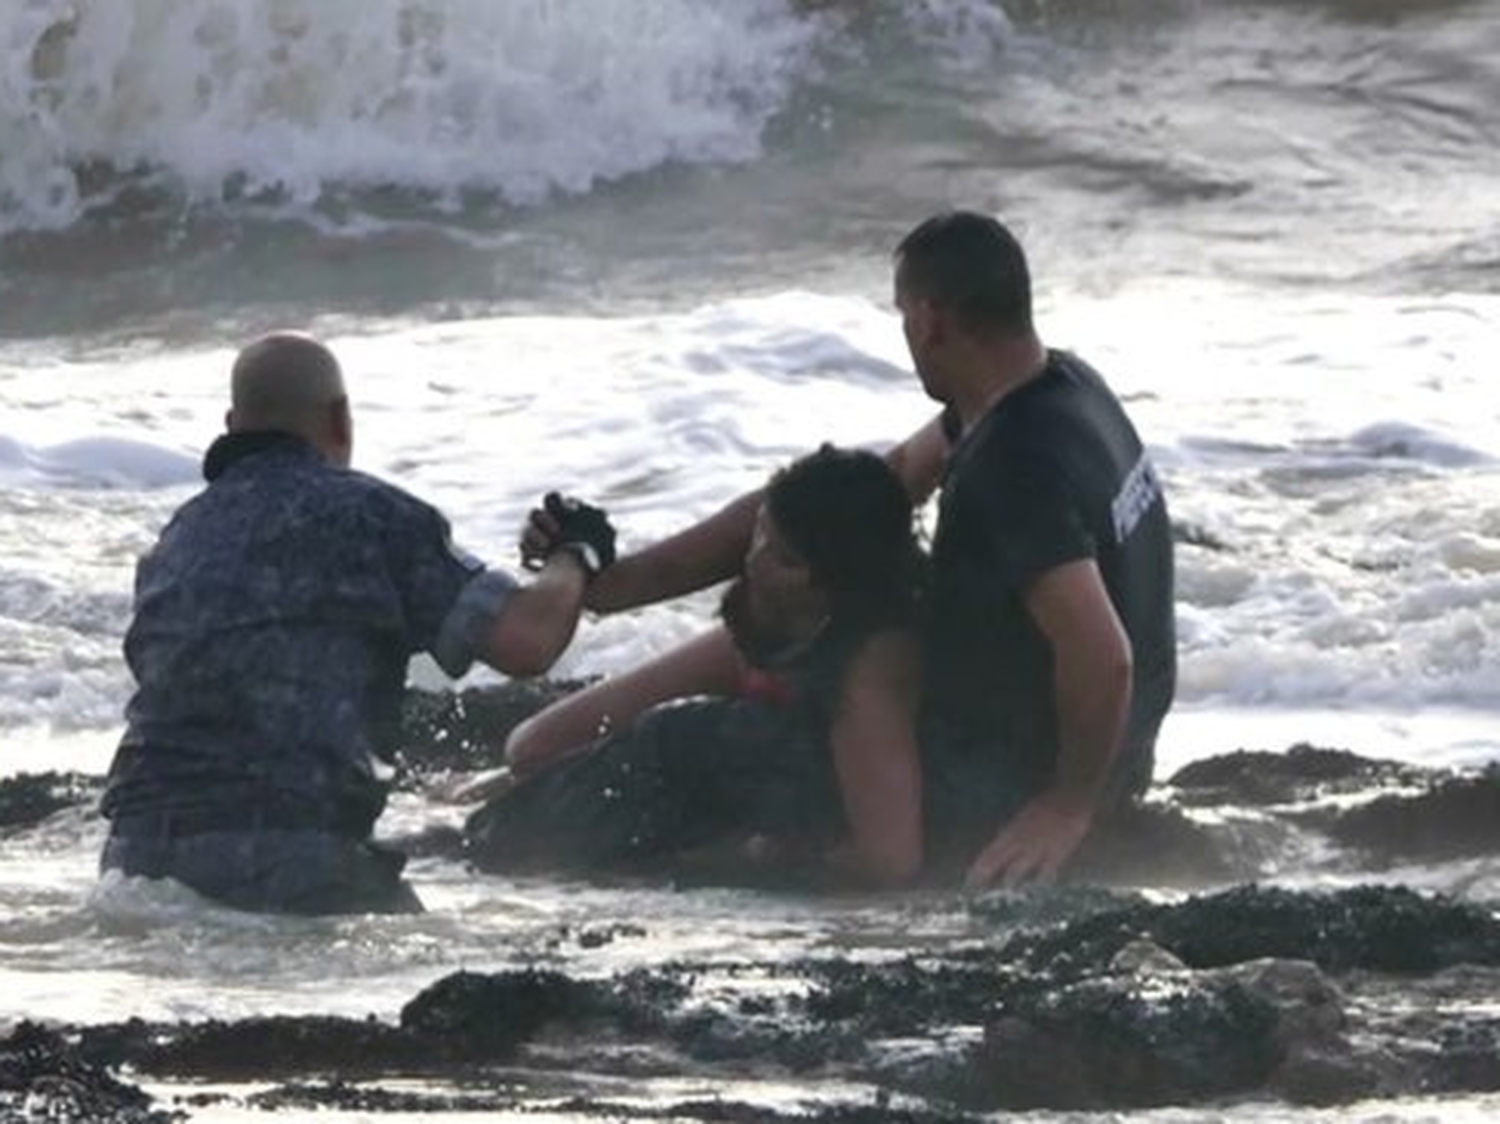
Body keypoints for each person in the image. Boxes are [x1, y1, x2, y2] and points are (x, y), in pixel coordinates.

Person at [523, 210, 1175, 889]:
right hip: (1114, 758)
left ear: (928, 320)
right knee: (785, 615)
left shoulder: (1012, 468)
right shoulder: (1056, 388)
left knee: (677, 742)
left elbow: (1105, 656)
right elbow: (863, 493)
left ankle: (503, 848)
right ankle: (533, 775)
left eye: (903, 321)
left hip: (993, 787)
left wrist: (1065, 808)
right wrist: (613, 582)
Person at [99, 332, 617, 916]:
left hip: (131, 857)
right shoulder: (373, 515)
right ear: (340, 419)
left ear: (232, 424)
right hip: (288, 857)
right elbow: (529, 641)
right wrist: (576, 553)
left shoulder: (176, 541)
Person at [464, 445, 927, 887]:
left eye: (783, 558)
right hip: (770, 676)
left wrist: (739, 856)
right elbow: (612, 595)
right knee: (530, 750)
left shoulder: (869, 671)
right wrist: (573, 550)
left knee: (671, 740)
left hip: (784, 793)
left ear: (836, 588)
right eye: (758, 535)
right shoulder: (765, 614)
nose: (754, 561)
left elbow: (891, 862)